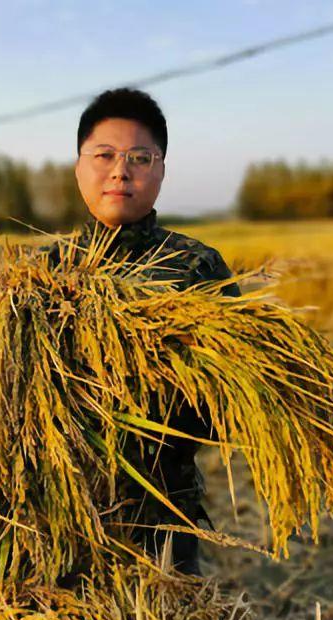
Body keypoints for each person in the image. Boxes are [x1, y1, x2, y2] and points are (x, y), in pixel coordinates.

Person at [45, 88, 241, 576]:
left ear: (161, 171)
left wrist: (169, 381)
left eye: (139, 157)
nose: (120, 170)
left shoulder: (196, 267)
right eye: (104, 155)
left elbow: (234, 411)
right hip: (57, 520)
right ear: (78, 167)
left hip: (164, 522)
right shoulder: (42, 276)